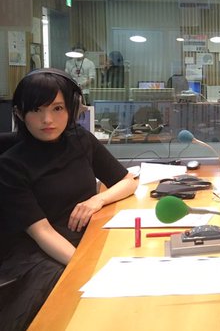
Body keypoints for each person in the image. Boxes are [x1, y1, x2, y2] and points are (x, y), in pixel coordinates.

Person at [0, 69, 139, 330]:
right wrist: (86, 266)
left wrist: (97, 200)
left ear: (71, 109)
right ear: (19, 114)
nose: (47, 119)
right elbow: (42, 232)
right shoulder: (10, 165)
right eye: (37, 110)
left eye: (57, 108)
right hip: (41, 255)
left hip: (87, 239)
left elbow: (129, 181)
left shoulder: (80, 140)